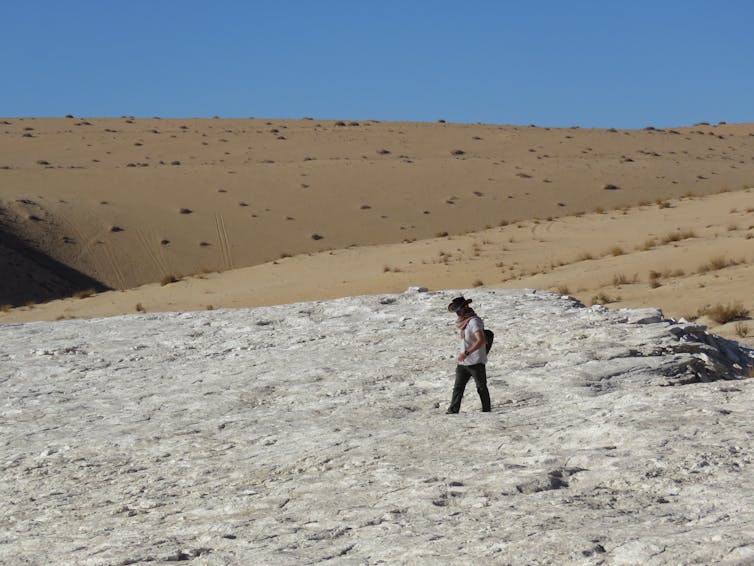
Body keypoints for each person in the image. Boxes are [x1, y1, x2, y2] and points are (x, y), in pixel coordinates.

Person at [446, 296, 491, 414]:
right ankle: (453, 410)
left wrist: (466, 353)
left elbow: (480, 340)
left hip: (476, 361)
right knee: (458, 387)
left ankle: (487, 411)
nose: (458, 314)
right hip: (463, 362)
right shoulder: (464, 323)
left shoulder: (474, 322)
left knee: (481, 388)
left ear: (466, 307)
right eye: (456, 312)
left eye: (459, 311)